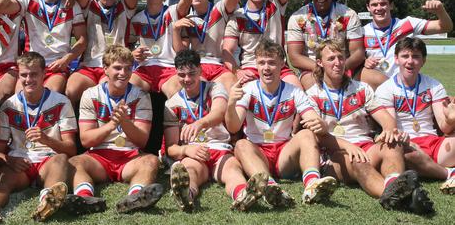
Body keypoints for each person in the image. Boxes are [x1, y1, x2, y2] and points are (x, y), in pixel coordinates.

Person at [307, 39, 433, 214]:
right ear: (320, 63)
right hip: (335, 154)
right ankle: (401, 197)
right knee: (358, 162)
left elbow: (385, 118)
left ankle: (394, 184)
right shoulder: (312, 94)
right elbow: (319, 136)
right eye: (331, 59)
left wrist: (389, 130)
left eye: (341, 57)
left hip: (366, 148)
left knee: (393, 144)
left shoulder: (361, 88)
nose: (338, 63)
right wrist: (348, 146)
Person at [0, 52, 78, 223]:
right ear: (18, 76)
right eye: (24, 75)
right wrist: (9, 160)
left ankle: (46, 201)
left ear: (44, 74)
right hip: (20, 162)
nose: (28, 79)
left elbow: (71, 149)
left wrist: (46, 140)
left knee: (61, 159)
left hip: (49, 161)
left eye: (34, 74)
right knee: (4, 179)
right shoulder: (9, 105)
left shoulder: (61, 102)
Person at [226, 39, 337, 207]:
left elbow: (312, 117)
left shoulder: (294, 91)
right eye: (261, 63)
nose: (266, 68)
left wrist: (320, 124)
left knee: (306, 134)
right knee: (241, 144)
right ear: (256, 64)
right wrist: (231, 104)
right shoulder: (248, 89)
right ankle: (270, 187)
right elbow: (233, 127)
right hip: (258, 152)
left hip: (283, 153)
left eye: (271, 63)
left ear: (281, 64)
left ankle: (312, 185)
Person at [164, 49, 268, 212]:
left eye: (192, 73)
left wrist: (199, 123)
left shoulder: (214, 88)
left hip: (220, 149)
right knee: (189, 171)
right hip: (195, 153)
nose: (187, 79)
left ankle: (242, 195)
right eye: (182, 75)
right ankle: (186, 196)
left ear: (200, 70)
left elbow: (219, 113)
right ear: (176, 74)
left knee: (232, 170)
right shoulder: (172, 104)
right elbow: (171, 147)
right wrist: (186, 149)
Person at [69, 45, 164, 214]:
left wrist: (125, 122)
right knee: (75, 162)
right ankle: (85, 198)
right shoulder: (90, 94)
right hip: (100, 155)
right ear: (105, 69)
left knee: (151, 161)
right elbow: (85, 140)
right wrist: (112, 125)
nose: (123, 73)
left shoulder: (141, 96)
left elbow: (142, 140)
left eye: (128, 68)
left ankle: (136, 197)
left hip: (130, 156)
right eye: (117, 68)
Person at [65, 0, 139, 108]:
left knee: (112, 92)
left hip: (118, 66)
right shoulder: (89, 5)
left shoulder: (125, 7)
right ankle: (76, 133)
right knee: (71, 90)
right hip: (90, 66)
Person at [0, 0, 87, 94]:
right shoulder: (28, 0)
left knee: (50, 95)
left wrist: (66, 59)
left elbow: (82, 40)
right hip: (31, 65)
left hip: (57, 66)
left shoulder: (71, 5)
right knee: (21, 96)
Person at [375, 37, 455, 196]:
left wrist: (451, 119)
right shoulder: (385, 89)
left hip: (434, 143)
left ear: (423, 60)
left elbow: (444, 127)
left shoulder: (434, 85)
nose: (410, 61)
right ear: (396, 59)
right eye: (405, 56)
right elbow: (391, 128)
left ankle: (432, 168)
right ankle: (448, 173)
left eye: (416, 56)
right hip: (407, 145)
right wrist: (404, 140)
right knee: (399, 152)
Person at [171, 0, 239, 92]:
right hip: (197, 67)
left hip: (220, 65)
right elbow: (181, 51)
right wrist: (176, 30)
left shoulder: (219, 9)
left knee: (233, 87)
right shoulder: (187, 18)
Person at [360, 0, 453, 89]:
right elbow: (353, 60)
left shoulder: (408, 24)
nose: (379, 8)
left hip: (405, 89)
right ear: (368, 7)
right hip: (376, 90)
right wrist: (364, 62)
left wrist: (440, 11)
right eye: (374, 5)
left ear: (391, 5)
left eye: (383, 4)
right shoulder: (361, 32)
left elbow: (445, 27)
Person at [286, 0, 365, 90]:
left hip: (344, 67)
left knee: (375, 79)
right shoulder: (297, 18)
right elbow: (294, 57)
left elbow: (358, 53)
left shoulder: (349, 14)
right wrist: (324, 69)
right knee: (314, 87)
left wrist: (338, 68)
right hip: (312, 70)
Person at [129, 0, 191, 98]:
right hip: (144, 69)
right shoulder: (136, 19)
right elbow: (127, 46)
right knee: (128, 90)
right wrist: (132, 54)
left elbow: (187, 0)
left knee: (177, 95)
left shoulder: (173, 12)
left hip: (170, 68)